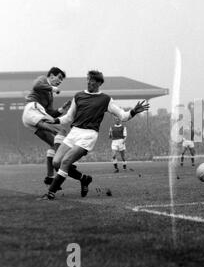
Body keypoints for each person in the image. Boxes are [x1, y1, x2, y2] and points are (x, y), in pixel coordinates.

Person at [40, 70, 149, 200]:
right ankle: (84, 179)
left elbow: (123, 116)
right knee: (56, 162)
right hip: (74, 132)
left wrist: (134, 111)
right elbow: (69, 117)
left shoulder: (106, 99)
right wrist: (55, 120)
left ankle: (51, 193)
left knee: (66, 161)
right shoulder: (78, 96)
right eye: (88, 79)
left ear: (99, 83)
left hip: (88, 135)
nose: (89, 82)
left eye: (92, 80)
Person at [21, 67, 71, 185]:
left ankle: (50, 176)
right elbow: (36, 87)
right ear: (51, 75)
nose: (59, 81)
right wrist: (53, 88)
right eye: (58, 78)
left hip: (32, 117)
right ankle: (60, 162)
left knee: (54, 143)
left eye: (61, 80)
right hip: (33, 108)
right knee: (62, 131)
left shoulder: (50, 95)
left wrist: (61, 109)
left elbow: (49, 114)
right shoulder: (43, 79)